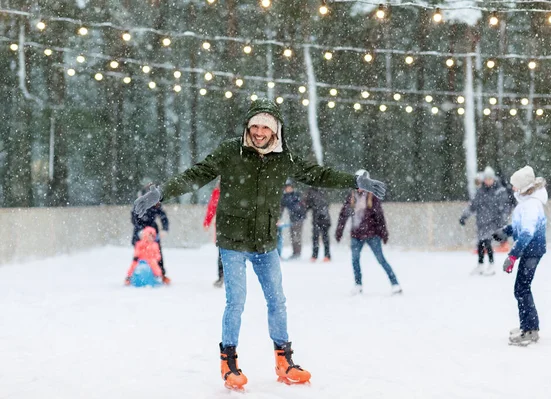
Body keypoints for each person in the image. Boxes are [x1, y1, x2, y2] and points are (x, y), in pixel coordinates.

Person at [132, 98, 386, 391]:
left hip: (265, 242)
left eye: (265, 126)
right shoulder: (231, 151)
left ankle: (284, 360)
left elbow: (318, 174)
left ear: (275, 130)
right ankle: (229, 362)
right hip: (233, 241)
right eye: (254, 125)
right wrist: (161, 193)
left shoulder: (284, 158)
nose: (259, 131)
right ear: (248, 127)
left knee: (277, 300)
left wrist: (354, 181)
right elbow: (197, 175)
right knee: (236, 302)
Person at [493, 165, 547, 346]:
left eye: (515, 185)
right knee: (522, 288)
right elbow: (519, 227)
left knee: (522, 289)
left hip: (532, 251)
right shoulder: (526, 202)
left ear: (523, 187)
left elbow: (526, 233)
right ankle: (528, 325)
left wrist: (512, 256)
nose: (513, 188)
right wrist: (506, 231)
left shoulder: (532, 205)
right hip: (530, 250)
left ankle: (530, 330)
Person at [335, 170, 402, 296]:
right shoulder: (351, 198)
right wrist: (339, 231)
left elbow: (380, 217)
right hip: (356, 235)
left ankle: (395, 284)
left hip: (372, 235)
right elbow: (343, 215)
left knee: (381, 259)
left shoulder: (373, 197)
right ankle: (358, 285)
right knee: (355, 260)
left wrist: (384, 233)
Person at [459, 166, 509, 276]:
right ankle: (480, 265)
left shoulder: (499, 191)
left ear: (493, 179)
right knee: (480, 243)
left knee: (487, 242)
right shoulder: (480, 192)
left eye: (490, 179)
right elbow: (472, 206)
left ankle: (491, 264)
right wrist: (464, 216)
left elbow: (504, 208)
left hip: (492, 222)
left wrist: (502, 222)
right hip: (481, 222)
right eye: (486, 179)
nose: (488, 181)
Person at [131, 188, 171, 284]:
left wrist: (164, 229)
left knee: (157, 255)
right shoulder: (138, 204)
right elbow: (134, 218)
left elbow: (163, 217)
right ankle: (133, 276)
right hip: (139, 234)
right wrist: (140, 230)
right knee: (138, 256)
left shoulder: (155, 205)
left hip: (153, 233)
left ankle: (161, 274)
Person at [203, 180, 224, 288]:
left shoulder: (218, 193)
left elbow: (212, 207)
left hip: (224, 225)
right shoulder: (218, 193)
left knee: (222, 252)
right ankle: (224, 275)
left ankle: (222, 275)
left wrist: (207, 222)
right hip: (226, 225)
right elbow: (212, 207)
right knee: (225, 251)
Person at [303, 187, 332, 262]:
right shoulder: (317, 190)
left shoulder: (314, 191)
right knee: (319, 237)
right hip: (320, 218)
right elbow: (307, 205)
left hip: (322, 218)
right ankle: (319, 255)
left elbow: (307, 205)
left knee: (321, 237)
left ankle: (324, 255)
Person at [279, 179, 306, 260]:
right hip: (292, 219)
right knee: (292, 235)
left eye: (289, 187)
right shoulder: (285, 197)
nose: (288, 189)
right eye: (287, 187)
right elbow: (281, 208)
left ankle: (297, 253)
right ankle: (295, 252)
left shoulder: (296, 195)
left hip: (299, 218)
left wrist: (299, 212)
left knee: (296, 236)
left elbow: (301, 206)